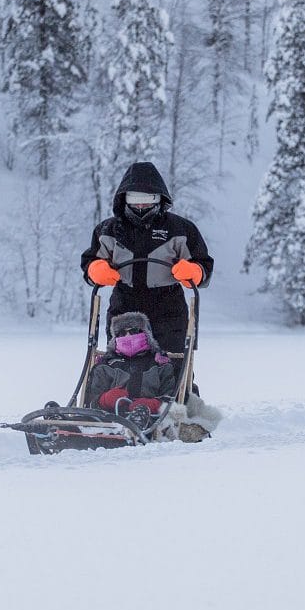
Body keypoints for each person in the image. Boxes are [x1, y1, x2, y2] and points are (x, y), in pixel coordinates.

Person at [79, 161, 212, 356]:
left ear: (159, 199)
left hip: (169, 309)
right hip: (124, 307)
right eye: (135, 199)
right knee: (121, 368)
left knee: (172, 369)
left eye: (148, 199)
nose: (141, 206)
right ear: (124, 199)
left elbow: (204, 264)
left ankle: (180, 386)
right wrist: (95, 269)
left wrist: (195, 272)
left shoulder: (180, 229)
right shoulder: (108, 230)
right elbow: (89, 261)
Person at [86, 311, 183, 420]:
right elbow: (89, 403)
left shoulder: (161, 365)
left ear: (146, 334)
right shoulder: (105, 366)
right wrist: (104, 400)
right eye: (121, 333)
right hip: (107, 421)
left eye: (134, 331)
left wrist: (153, 404)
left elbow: (173, 401)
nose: (127, 336)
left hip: (152, 423)